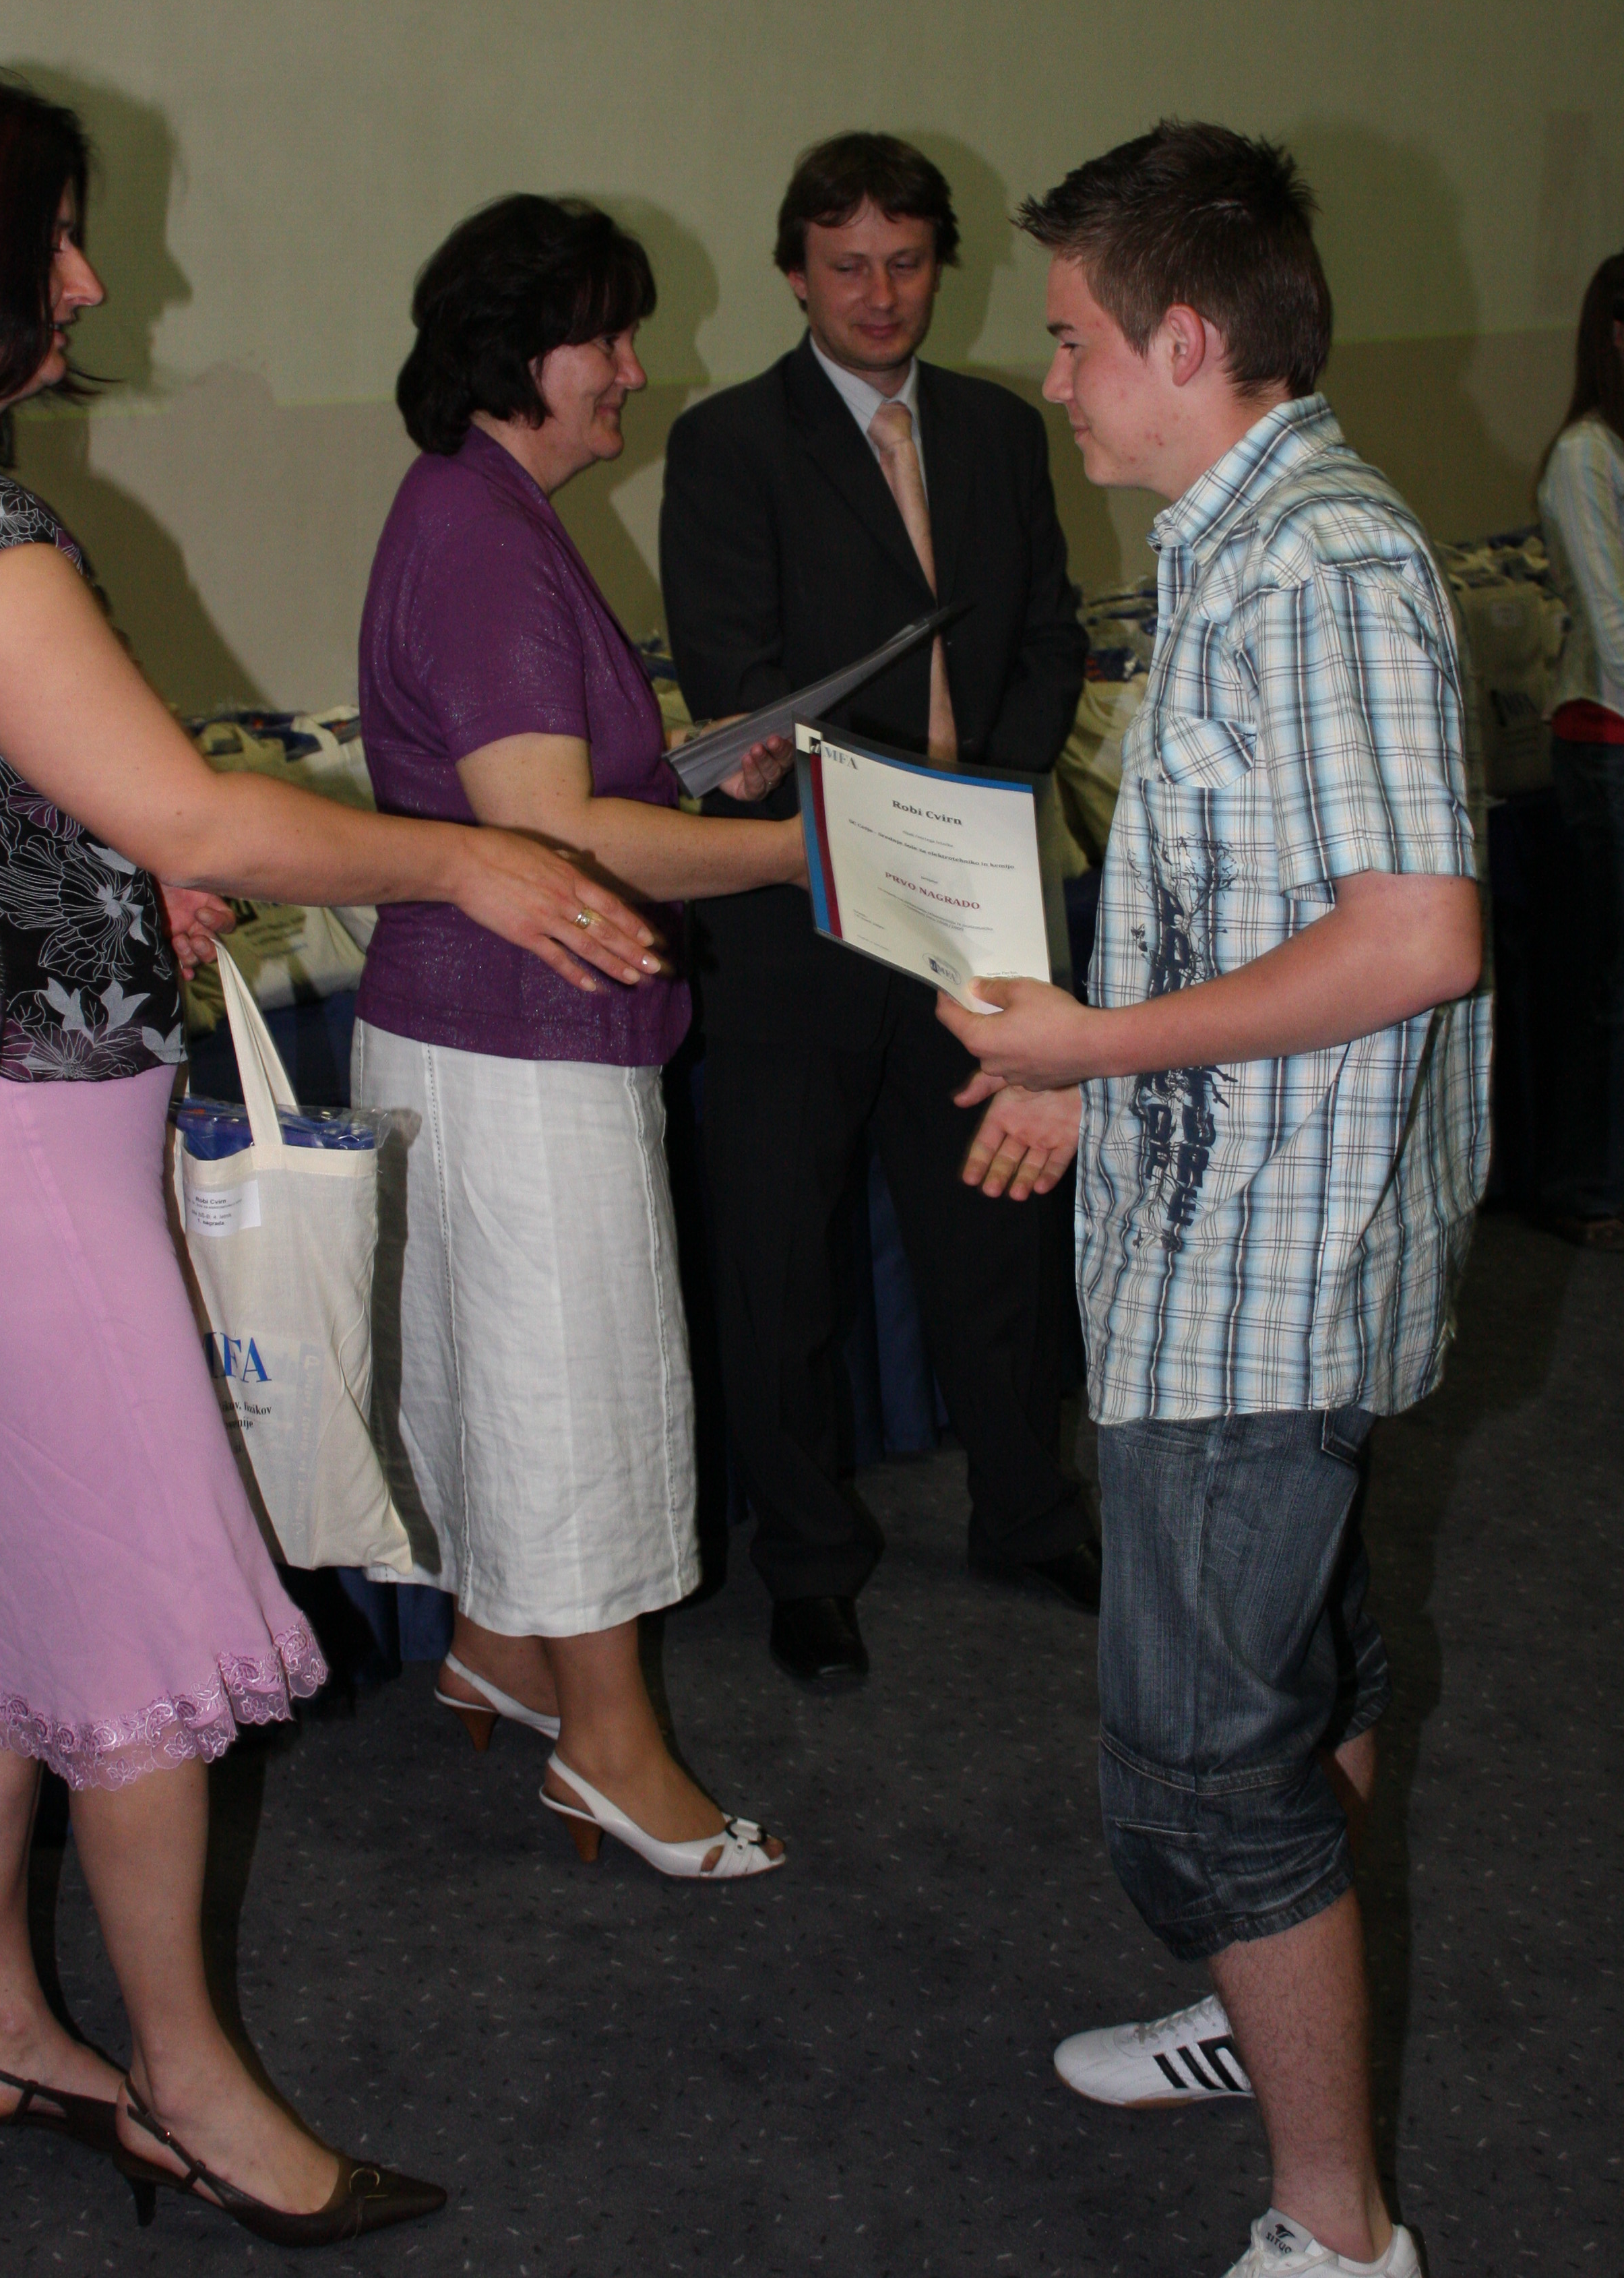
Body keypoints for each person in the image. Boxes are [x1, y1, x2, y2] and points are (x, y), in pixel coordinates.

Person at [0, 64, 664, 2244]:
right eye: (51, 235)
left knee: (5, 1605)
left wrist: (110, 886)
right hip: (7, 1147)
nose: (86, 280)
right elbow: (195, 802)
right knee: (141, 1642)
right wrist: (468, 857)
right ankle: (192, 2084)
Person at [940, 122, 1489, 2278]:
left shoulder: (1318, 564)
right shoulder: (1235, 538)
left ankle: (1337, 2227)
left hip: (1265, 1274)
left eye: (1074, 339)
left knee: (1199, 1772)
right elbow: (1256, 909)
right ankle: (1266, 2037)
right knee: (1306, 1675)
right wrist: (1102, 1076)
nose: (1053, 379)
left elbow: (1416, 939)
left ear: (1185, 339)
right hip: (1236, 1224)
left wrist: (1094, 1049)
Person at [353, 193, 803, 1878]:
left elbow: (551, 792)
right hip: (518, 1042)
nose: (633, 369)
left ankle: (500, 1646)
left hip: (486, 1034)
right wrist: (805, 853)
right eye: (606, 338)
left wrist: (697, 770)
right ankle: (609, 1749)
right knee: (577, 1389)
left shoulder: (482, 510)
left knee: (505, 1369)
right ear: (515, 354)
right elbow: (552, 839)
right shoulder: (483, 536)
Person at [659, 131, 1096, 1690]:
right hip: (801, 912)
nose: (879, 294)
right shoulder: (728, 443)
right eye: (846, 266)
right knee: (785, 1258)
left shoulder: (997, 429)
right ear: (796, 275)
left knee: (995, 1230)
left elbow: (1050, 636)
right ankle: (809, 1562)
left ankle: (1027, 1513)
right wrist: (876, 814)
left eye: (906, 263)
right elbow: (730, 665)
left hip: (975, 905)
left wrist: (989, 793)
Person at [1538, 250, 1624, 1246]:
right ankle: (1589, 1187)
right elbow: (1612, 623)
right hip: (1605, 740)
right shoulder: (1586, 455)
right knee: (1610, 988)